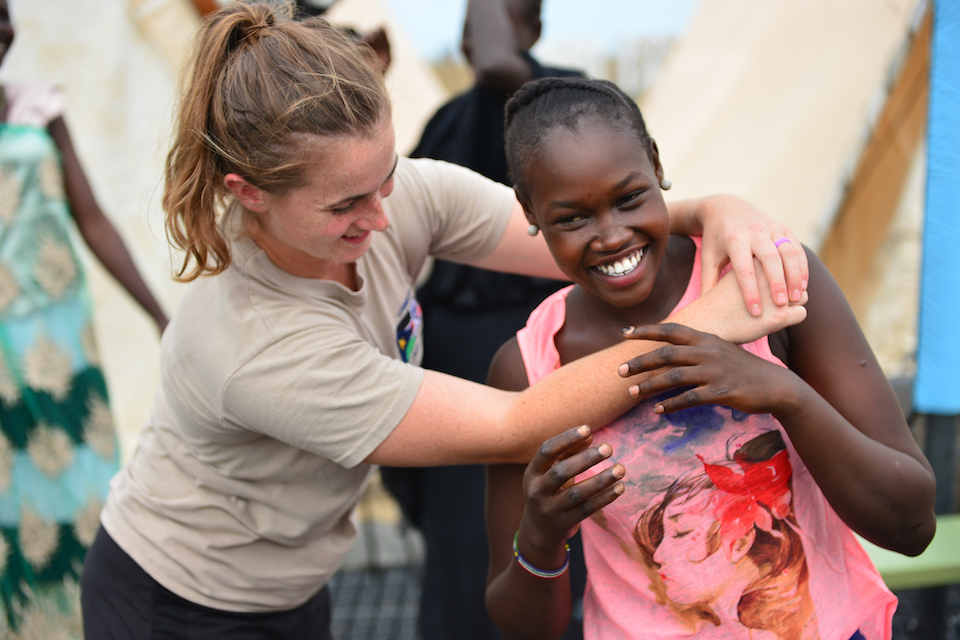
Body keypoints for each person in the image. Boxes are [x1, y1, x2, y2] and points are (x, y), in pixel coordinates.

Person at [76, 4, 809, 638]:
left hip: (295, 586)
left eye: (387, 175)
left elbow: (576, 235)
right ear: (250, 193)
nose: (384, 215)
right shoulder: (253, 341)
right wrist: (709, 325)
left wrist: (716, 209)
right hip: (175, 601)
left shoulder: (394, 197)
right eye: (345, 206)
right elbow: (514, 424)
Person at [483, 77, 937, 640]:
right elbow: (523, 628)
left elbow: (912, 523)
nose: (611, 236)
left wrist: (783, 393)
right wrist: (540, 534)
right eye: (573, 218)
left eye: (629, 199)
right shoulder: (528, 368)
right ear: (528, 210)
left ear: (656, 164)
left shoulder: (770, 283)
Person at [379, 1, 584, 638]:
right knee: (460, 555)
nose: (475, 38)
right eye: (467, 24)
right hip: (451, 362)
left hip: (539, 355)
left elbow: (499, 61)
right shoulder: (446, 121)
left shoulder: (562, 103)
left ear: (532, 31)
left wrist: (493, 27)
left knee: (539, 540)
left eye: (491, 16)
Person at [0, 0, 168, 634]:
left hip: (61, 339)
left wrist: (157, 312)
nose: (3, 29)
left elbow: (92, 217)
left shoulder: (39, 106)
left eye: (7, 15)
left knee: (80, 493)